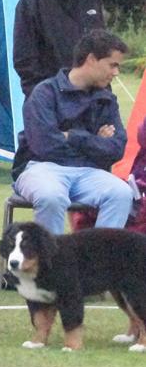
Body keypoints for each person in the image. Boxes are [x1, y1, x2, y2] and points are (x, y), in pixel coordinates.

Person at [11, 29, 131, 234]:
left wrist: (73, 136)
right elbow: (45, 146)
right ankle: (53, 264)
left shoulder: (106, 99)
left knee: (121, 193)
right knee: (51, 196)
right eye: (113, 65)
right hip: (40, 167)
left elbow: (116, 149)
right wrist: (94, 141)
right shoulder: (44, 93)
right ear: (92, 59)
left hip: (89, 172)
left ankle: (98, 264)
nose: (116, 73)